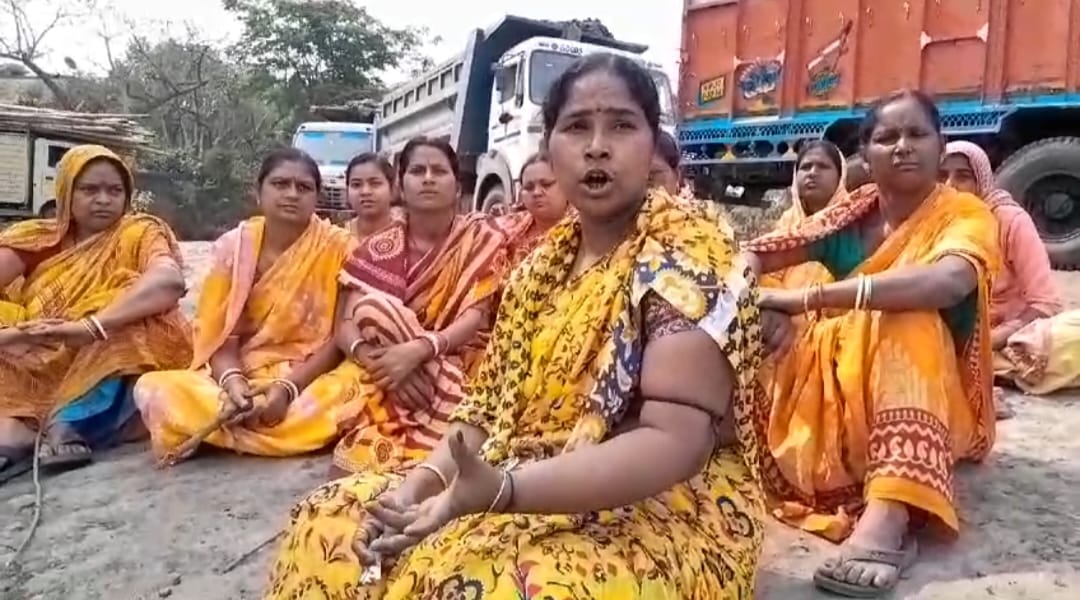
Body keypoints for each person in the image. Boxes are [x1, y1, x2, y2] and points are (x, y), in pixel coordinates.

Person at [264, 53, 766, 600]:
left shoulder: (690, 250)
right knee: (326, 523)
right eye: (577, 127)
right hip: (514, 472)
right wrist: (416, 490)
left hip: (661, 505)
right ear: (549, 147)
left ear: (652, 146)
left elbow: (675, 442)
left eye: (622, 126)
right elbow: (485, 409)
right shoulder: (537, 269)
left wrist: (503, 491)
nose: (597, 146)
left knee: (491, 587)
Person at [742, 90, 999, 597]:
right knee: (747, 326)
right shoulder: (849, 216)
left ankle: (891, 512)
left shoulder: (966, 214)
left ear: (940, 145)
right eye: (887, 137)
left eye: (917, 134)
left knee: (909, 317)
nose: (903, 146)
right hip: (839, 383)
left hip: (928, 396)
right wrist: (764, 304)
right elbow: (753, 253)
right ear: (865, 153)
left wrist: (807, 299)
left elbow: (947, 282)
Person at [133, 148, 356, 459]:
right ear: (258, 191)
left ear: (316, 197)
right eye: (280, 184)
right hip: (247, 369)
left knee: (354, 388)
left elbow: (338, 339)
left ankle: (228, 430)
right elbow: (221, 336)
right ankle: (256, 422)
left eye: (303, 187)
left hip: (312, 375)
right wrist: (233, 383)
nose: (292, 194)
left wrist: (288, 388)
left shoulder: (341, 247)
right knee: (154, 388)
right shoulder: (234, 248)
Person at [0, 144, 191, 480]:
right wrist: (13, 335)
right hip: (36, 352)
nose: (103, 199)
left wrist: (90, 327)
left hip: (100, 353)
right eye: (89, 190)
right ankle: (18, 433)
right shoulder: (36, 239)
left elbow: (168, 281)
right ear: (66, 193)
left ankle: (68, 422)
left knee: (138, 307)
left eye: (114, 191)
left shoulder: (139, 232)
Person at [324, 136, 509, 475]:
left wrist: (419, 352)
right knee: (373, 311)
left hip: (460, 358)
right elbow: (346, 326)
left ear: (457, 187)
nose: (428, 178)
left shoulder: (483, 240)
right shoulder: (377, 248)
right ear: (401, 186)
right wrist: (382, 364)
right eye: (417, 171)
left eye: (439, 171)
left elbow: (475, 316)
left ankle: (436, 438)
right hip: (384, 361)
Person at [940, 142, 1080, 397]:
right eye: (942, 176)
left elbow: (1045, 304)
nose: (950, 186)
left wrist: (995, 338)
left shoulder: (1010, 221)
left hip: (1015, 335)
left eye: (963, 176)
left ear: (981, 181)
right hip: (956, 337)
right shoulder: (932, 223)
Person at [760, 140, 848, 292]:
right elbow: (769, 272)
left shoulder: (852, 218)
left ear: (840, 176)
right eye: (806, 167)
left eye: (823, 166)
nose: (812, 173)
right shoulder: (788, 221)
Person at [494, 152, 569, 266]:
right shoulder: (511, 230)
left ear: (566, 185)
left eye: (546, 184)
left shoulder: (584, 229)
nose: (537, 192)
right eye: (529, 187)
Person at [345, 152, 400, 239]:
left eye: (375, 183)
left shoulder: (408, 235)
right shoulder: (338, 237)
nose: (365, 192)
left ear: (392, 188)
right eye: (356, 184)